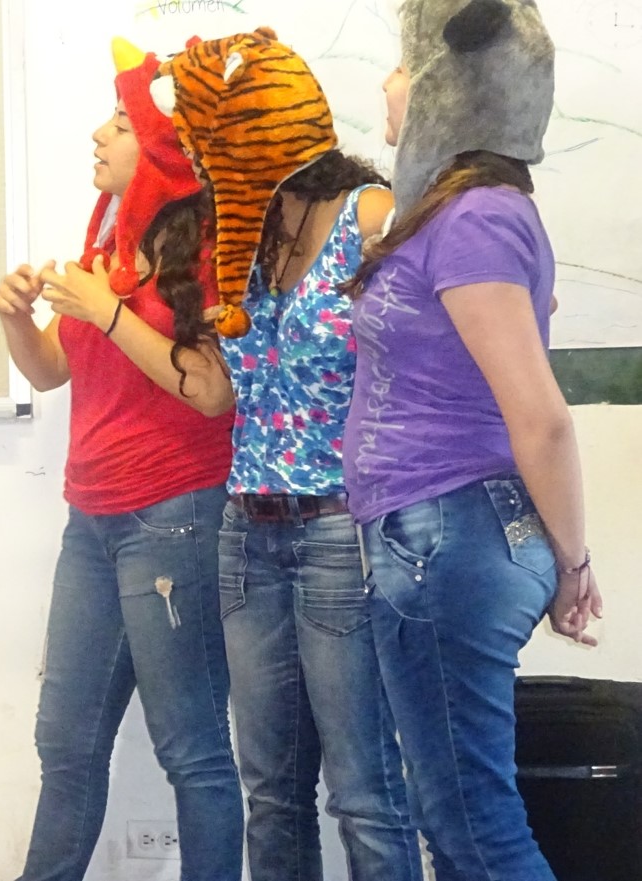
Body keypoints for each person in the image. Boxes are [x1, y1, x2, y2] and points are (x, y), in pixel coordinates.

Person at [344, 2, 599, 878]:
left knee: (471, 825)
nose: (388, 84)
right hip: (441, 535)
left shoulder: (476, 217)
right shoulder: (457, 213)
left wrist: (575, 563)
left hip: (449, 537)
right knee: (459, 821)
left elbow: (544, 417)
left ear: (450, 84)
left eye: (403, 67)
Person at [168, 29, 421, 880]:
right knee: (271, 791)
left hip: (340, 533)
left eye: (213, 144)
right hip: (246, 529)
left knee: (365, 791)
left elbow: (453, 328)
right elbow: (225, 393)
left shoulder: (369, 217)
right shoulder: (240, 243)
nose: (204, 164)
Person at [0, 37, 243, 881]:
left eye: (120, 123)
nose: (98, 137)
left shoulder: (207, 249)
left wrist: (107, 311)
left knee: (193, 751)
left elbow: (212, 391)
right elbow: (50, 369)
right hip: (92, 519)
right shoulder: (105, 238)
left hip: (176, 517)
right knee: (64, 742)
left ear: (165, 148)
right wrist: (15, 319)